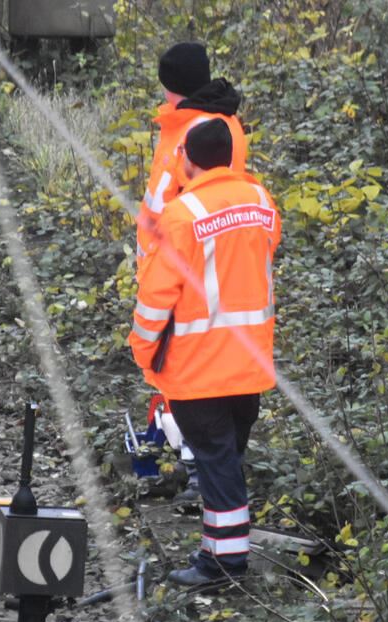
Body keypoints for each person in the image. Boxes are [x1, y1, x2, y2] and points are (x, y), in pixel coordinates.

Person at [128, 119, 281, 586]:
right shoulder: (261, 202)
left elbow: (157, 296)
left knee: (217, 462)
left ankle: (225, 566)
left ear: (188, 160)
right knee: (225, 459)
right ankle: (216, 552)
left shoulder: (181, 214)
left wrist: (143, 349)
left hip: (199, 367)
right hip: (250, 362)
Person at [136, 42, 248, 503]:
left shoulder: (204, 129)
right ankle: (196, 464)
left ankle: (205, 474)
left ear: (176, 87)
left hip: (192, 273)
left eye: (166, 88)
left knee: (197, 381)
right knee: (181, 377)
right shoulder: (187, 122)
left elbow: (208, 204)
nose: (163, 96)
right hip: (171, 267)